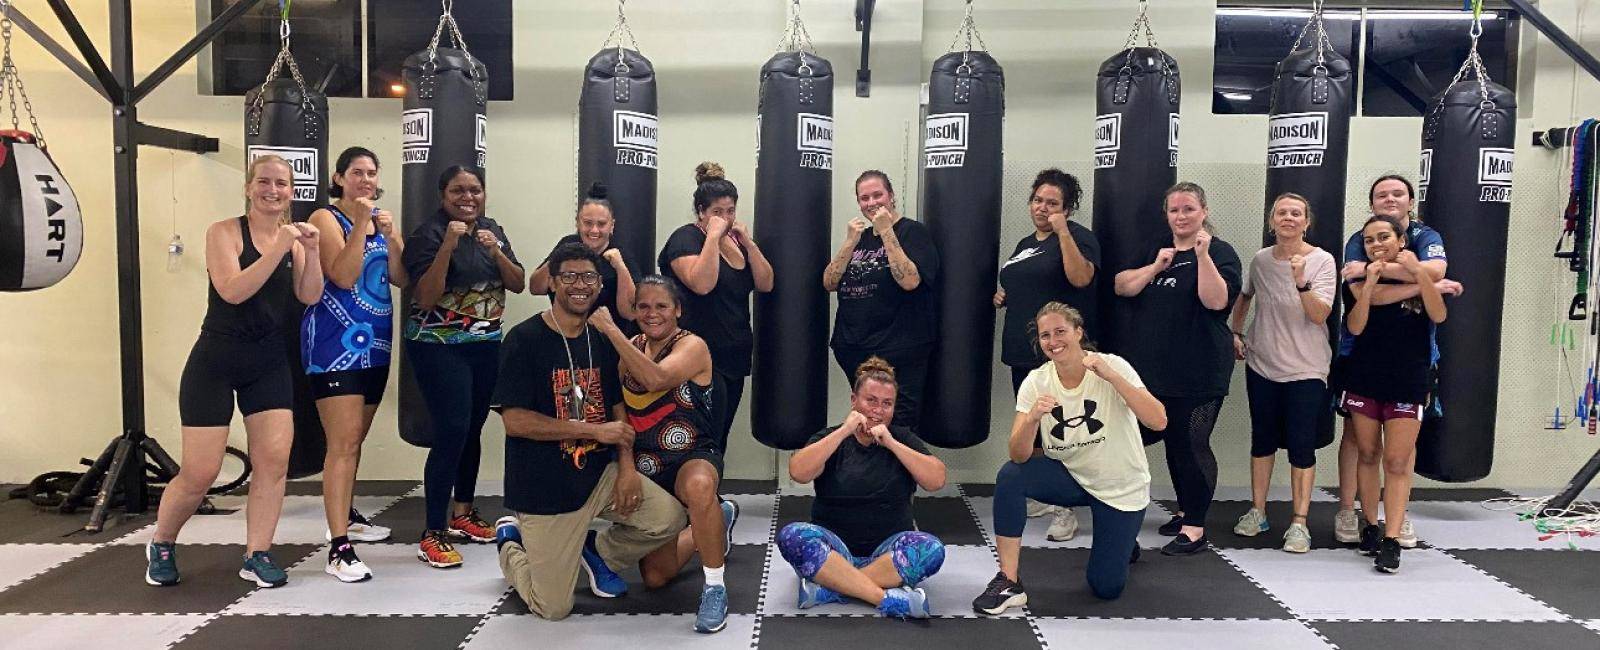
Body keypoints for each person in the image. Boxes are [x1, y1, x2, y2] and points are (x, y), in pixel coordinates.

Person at [146, 155, 324, 588]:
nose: (273, 190)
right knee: (201, 472)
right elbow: (233, 290)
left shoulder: (295, 242)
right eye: (264, 181)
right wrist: (279, 247)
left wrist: (312, 251)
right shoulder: (223, 232)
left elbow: (311, 294)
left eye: (282, 183)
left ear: (291, 191)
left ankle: (257, 554)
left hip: (268, 363)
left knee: (273, 463)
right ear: (249, 187)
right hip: (215, 362)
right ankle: (163, 542)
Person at [489, 244, 687, 621]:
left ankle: (593, 549)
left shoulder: (600, 340)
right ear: (552, 282)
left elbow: (617, 411)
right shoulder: (523, 340)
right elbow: (515, 421)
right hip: (545, 489)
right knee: (553, 608)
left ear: (599, 285)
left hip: (599, 478)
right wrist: (595, 432)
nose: (580, 286)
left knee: (669, 518)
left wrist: (627, 468)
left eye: (589, 277)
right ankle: (511, 545)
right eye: (570, 277)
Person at [973, 303, 1166, 613]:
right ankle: (1008, 580)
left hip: (1120, 487)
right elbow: (1018, 454)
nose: (1053, 341)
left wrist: (1113, 378)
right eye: (1045, 335)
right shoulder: (1037, 381)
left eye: (1060, 331)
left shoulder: (1111, 365)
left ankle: (1123, 540)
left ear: (1078, 332)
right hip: (1073, 477)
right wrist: (1033, 418)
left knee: (1105, 588)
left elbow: (1158, 421)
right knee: (1011, 475)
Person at [588, 275, 740, 633]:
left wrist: (611, 331)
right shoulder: (632, 347)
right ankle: (717, 519)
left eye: (661, 306)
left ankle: (715, 587)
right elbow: (618, 408)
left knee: (701, 486)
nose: (652, 313)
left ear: (677, 310)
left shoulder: (693, 346)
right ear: (635, 310)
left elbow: (656, 379)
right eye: (643, 306)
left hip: (692, 453)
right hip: (646, 463)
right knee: (656, 577)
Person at [402, 165, 525, 568]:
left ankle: (463, 513)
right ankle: (432, 531)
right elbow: (424, 296)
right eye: (458, 190)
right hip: (438, 346)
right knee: (452, 429)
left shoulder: (492, 229)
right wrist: (447, 249)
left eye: (474, 190)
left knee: (473, 427)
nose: (467, 197)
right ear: (443, 195)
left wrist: (495, 251)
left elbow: (518, 282)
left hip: (485, 344)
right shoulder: (429, 234)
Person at [1329, 174, 1461, 548]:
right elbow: (1357, 289)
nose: (1389, 199)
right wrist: (1424, 283)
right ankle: (1349, 510)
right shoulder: (1360, 237)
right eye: (1381, 194)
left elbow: (1435, 271)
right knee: (1359, 441)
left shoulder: (1426, 236)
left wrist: (1421, 278)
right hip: (1361, 355)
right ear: (1371, 203)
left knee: (1402, 449)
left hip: (1413, 360)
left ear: (1410, 200)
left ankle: (1395, 519)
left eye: (1397, 193)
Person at [1113, 181, 1242, 556]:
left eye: (1189, 209)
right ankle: (1186, 509)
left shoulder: (1220, 251)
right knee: (1169, 443)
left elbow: (1217, 302)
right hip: (1154, 370)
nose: (1181, 216)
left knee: (1191, 444)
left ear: (1204, 211)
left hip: (1200, 370)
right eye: (1175, 210)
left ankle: (1196, 529)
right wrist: (1156, 266)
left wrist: (1202, 257)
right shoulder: (1158, 250)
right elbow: (1123, 286)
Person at [302, 147, 408, 582]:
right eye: (357, 172)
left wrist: (392, 235)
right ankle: (338, 547)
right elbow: (343, 276)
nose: (365, 179)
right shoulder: (325, 219)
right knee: (342, 444)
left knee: (355, 441)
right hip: (334, 347)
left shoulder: (380, 220)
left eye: (371, 172)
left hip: (375, 346)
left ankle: (345, 514)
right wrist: (363, 225)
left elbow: (401, 277)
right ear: (339, 177)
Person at [778, 357, 947, 620]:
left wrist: (891, 443)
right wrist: (844, 431)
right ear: (854, 400)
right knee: (792, 536)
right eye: (871, 400)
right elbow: (798, 472)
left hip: (887, 551)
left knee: (932, 549)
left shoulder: (902, 438)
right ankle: (884, 598)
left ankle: (832, 588)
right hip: (833, 551)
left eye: (886, 403)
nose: (878, 410)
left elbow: (936, 480)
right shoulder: (831, 437)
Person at [995, 168, 1101, 544]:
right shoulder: (1025, 242)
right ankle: (1043, 493)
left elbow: (1080, 279)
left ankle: (1065, 508)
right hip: (1021, 348)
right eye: (1038, 200)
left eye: (1052, 203)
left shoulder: (1077, 238)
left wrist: (1063, 232)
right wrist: (1003, 295)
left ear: (1067, 208)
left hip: (1058, 351)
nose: (1043, 208)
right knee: (1033, 423)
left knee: (1061, 426)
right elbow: (1018, 279)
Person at [1228, 193, 1336, 553]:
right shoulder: (1260, 260)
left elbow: (1319, 315)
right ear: (1271, 221)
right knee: (1262, 440)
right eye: (1281, 213)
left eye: (1296, 213)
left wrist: (1301, 281)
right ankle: (1257, 510)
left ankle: (1299, 522)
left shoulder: (1322, 261)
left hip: (1306, 367)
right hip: (1263, 363)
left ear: (1307, 222)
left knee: (1302, 445)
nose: (1288, 218)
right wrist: (1236, 332)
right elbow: (1244, 296)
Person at [1342, 216, 1447, 573]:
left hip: (1408, 378)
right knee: (1368, 453)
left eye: (1383, 237)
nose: (1376, 244)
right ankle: (1370, 525)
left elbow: (1439, 312)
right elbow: (1355, 325)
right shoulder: (1358, 276)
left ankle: (1392, 537)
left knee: (1398, 461)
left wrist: (1421, 276)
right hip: (1365, 375)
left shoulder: (1417, 271)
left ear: (1401, 240)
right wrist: (1370, 283)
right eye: (1369, 240)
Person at [658, 162, 774, 452]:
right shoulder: (686, 238)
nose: (725, 218)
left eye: (730, 211)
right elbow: (702, 284)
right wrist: (712, 236)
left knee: (719, 436)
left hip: (733, 353)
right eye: (717, 212)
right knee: (699, 436)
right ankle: (692, 494)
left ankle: (710, 495)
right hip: (697, 355)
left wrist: (748, 242)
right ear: (701, 212)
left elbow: (766, 283)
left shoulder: (736, 243)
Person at [823, 170, 941, 430]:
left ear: (891, 196)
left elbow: (910, 281)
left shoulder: (912, 232)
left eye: (878, 195)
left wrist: (886, 231)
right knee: (865, 422)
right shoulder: (860, 238)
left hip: (898, 349)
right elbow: (829, 282)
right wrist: (849, 242)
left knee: (896, 425)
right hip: (855, 348)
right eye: (864, 198)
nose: (872, 202)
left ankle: (897, 471)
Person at [529, 182, 637, 332]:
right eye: (587, 223)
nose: (594, 230)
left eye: (601, 224)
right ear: (578, 223)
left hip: (605, 341)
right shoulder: (566, 244)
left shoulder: (621, 255)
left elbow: (630, 313)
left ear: (612, 226)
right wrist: (557, 257)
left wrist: (620, 267)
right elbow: (535, 288)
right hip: (563, 335)